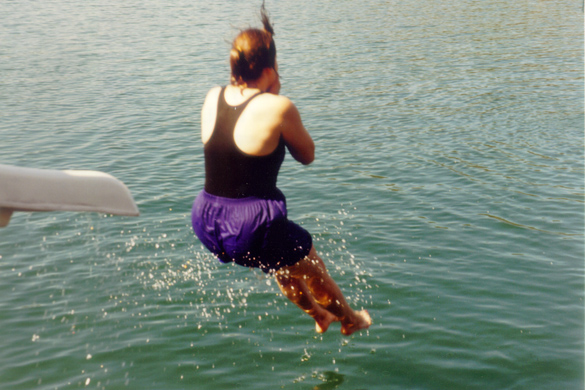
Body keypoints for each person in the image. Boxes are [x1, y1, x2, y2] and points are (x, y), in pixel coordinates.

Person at [191, 5, 371, 336]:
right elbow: (307, 156)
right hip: (251, 227)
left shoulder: (212, 96)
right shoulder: (279, 107)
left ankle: (318, 316)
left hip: (206, 220)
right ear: (270, 66)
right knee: (313, 268)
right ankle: (349, 319)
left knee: (284, 267)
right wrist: (277, 100)